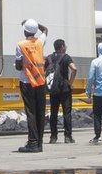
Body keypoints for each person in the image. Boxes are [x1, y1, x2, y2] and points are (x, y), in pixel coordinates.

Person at [14, 19, 48, 154]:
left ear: (25, 31)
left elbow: (18, 65)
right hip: (40, 81)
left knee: (31, 112)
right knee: (40, 112)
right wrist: (35, 22)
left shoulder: (20, 45)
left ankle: (32, 142)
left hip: (27, 82)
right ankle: (39, 143)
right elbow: (45, 30)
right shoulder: (40, 42)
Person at [46, 38, 76, 144]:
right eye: (65, 45)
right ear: (62, 47)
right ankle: (68, 137)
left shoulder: (49, 58)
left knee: (53, 113)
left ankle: (53, 137)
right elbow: (74, 69)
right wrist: (70, 82)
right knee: (66, 113)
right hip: (64, 89)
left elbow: (43, 71)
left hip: (53, 89)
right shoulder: (66, 57)